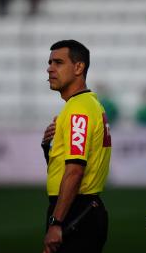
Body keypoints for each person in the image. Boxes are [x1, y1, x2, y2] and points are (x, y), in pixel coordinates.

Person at [41, 40, 111, 253]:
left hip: (76, 212)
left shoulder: (78, 110)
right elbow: (66, 165)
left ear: (79, 67)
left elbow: (75, 171)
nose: (50, 68)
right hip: (83, 209)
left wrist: (57, 222)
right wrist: (48, 147)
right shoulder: (86, 104)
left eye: (58, 62)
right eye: (50, 62)